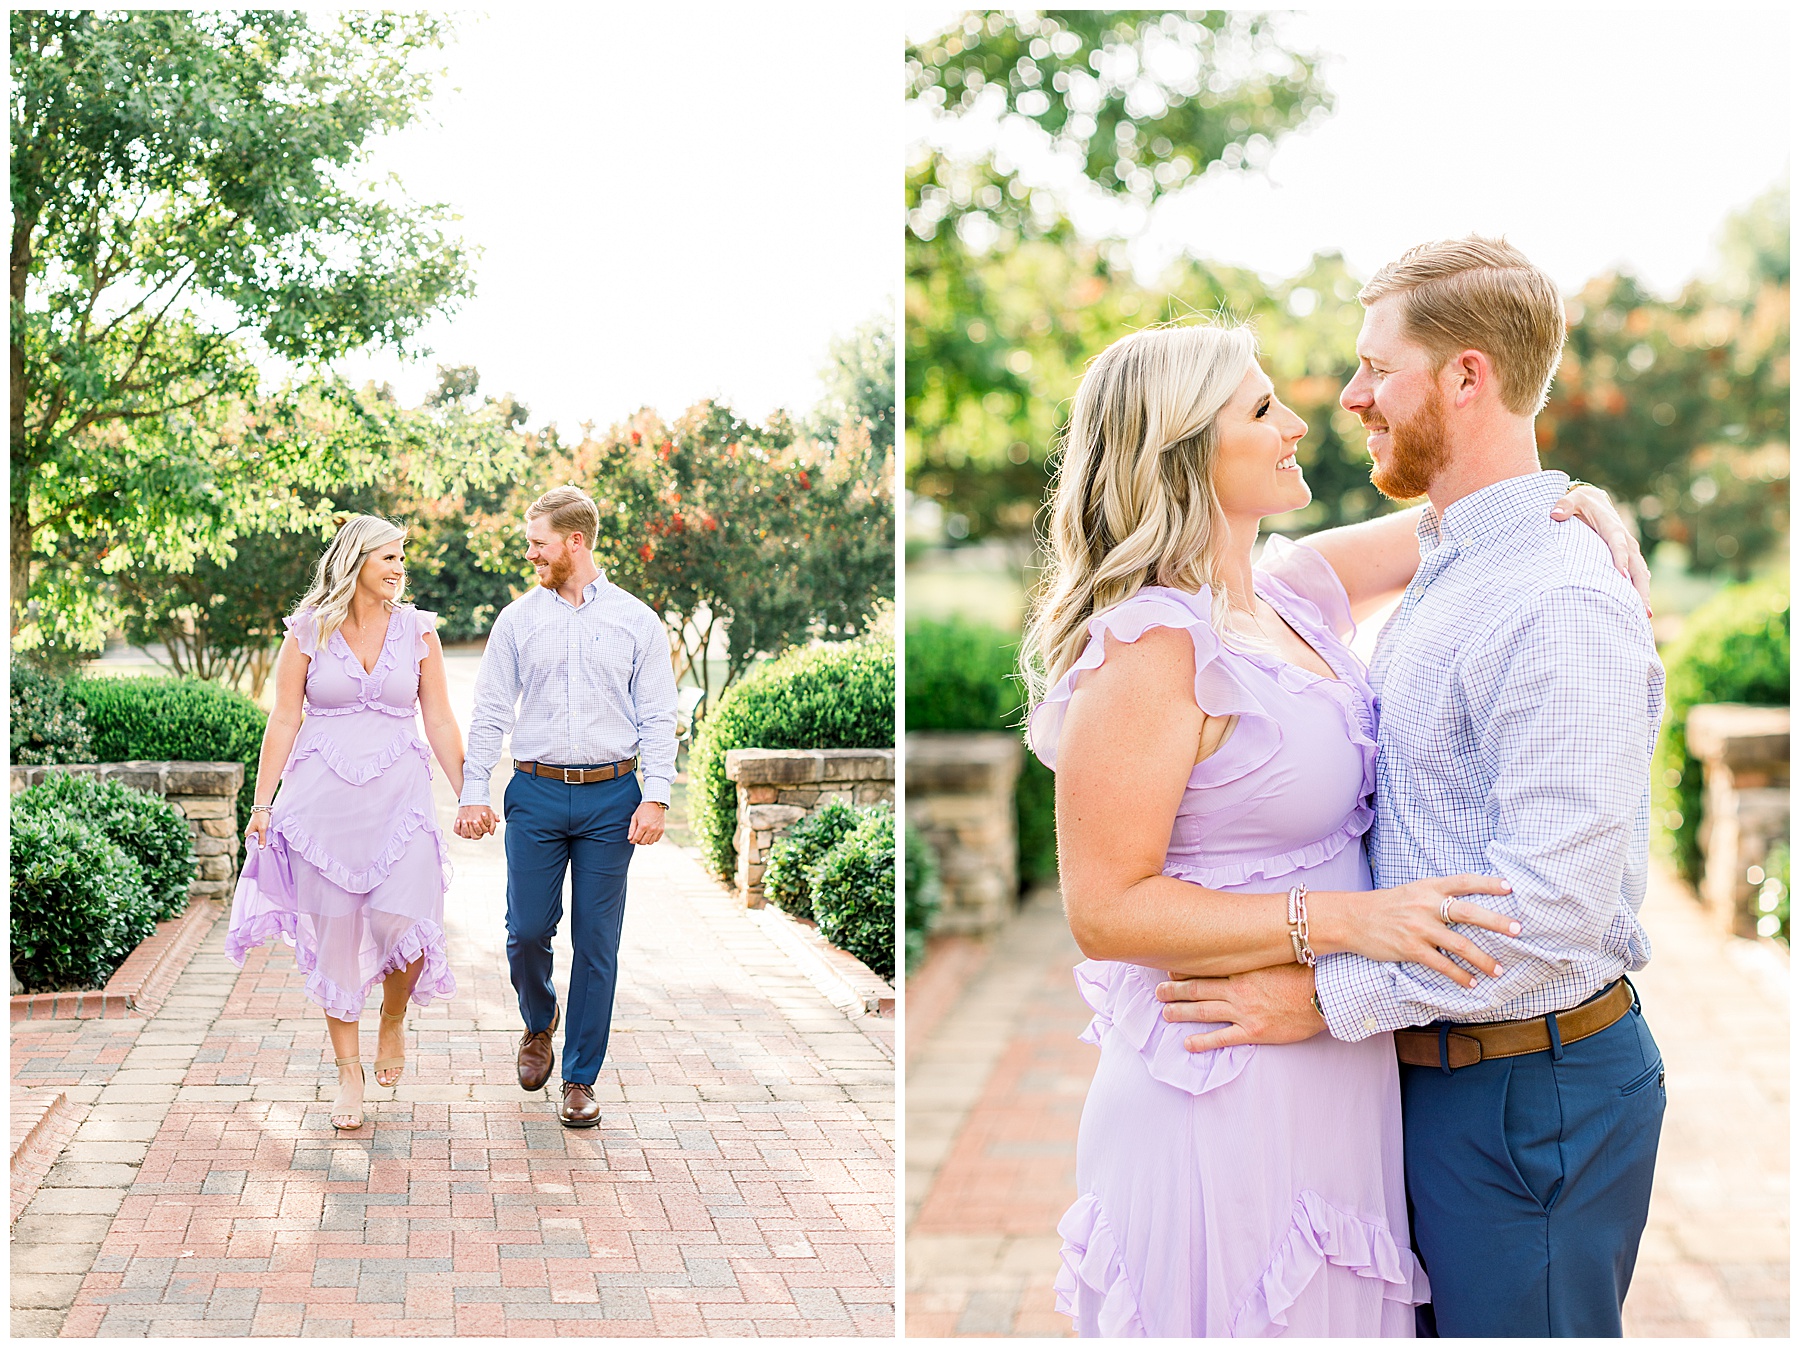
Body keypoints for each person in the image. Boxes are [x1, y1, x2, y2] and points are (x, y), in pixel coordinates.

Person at [1022, 312, 1649, 1335]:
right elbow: (1104, 907)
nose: (1301, 424)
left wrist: (1587, 506)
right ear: (1185, 451)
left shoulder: (1290, 592)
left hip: (1340, 1066)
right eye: (1263, 408)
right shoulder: (1148, 645)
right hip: (1222, 1081)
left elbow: (1486, 503)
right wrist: (1343, 926)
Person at [227, 515, 462, 1132]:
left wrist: (470, 794)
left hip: (400, 804)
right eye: (388, 557)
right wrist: (261, 804)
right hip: (320, 807)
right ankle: (347, 1072)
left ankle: (392, 1017)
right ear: (355, 561)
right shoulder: (306, 631)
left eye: (401, 558)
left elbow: (438, 720)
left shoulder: (419, 633)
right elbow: (283, 720)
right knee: (334, 933)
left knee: (410, 914)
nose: (399, 568)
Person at [454, 485, 679, 1128]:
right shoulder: (518, 620)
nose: (530, 554)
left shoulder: (637, 620)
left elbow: (658, 715)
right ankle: (538, 1018)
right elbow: (492, 710)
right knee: (525, 930)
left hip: (614, 796)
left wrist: (657, 795)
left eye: (538, 543)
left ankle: (580, 1078)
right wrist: (474, 790)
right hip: (537, 792)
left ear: (574, 542)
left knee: (597, 942)